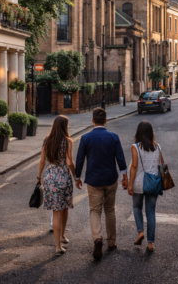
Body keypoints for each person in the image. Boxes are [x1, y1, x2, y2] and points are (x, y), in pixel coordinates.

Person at [75, 108, 128, 261]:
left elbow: (80, 159)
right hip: (111, 179)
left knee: (95, 211)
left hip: (94, 180)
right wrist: (125, 177)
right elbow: (120, 158)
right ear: (105, 120)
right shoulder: (114, 137)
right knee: (110, 210)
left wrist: (77, 177)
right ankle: (111, 242)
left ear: (92, 121)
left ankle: (98, 238)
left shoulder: (85, 138)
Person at [38, 115, 76, 255]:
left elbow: (42, 161)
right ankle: (59, 242)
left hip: (50, 177)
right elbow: (69, 162)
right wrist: (76, 176)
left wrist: (39, 177)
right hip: (64, 177)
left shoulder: (46, 140)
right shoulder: (68, 141)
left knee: (57, 211)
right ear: (65, 126)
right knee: (64, 207)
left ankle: (60, 241)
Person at [128, 121, 162, 253]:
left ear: (138, 132)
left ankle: (140, 232)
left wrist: (130, 184)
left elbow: (134, 166)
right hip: (153, 184)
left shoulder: (136, 147)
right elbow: (159, 165)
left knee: (137, 207)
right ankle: (150, 243)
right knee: (151, 212)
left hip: (138, 183)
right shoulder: (157, 147)